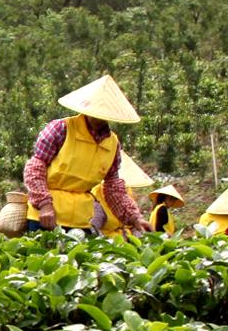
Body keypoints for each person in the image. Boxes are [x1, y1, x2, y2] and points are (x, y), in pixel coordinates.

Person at [21, 75, 143, 237]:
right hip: (46, 216)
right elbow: (35, 168)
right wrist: (44, 204)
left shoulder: (112, 143)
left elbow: (113, 187)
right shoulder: (61, 129)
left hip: (82, 219)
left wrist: (134, 218)